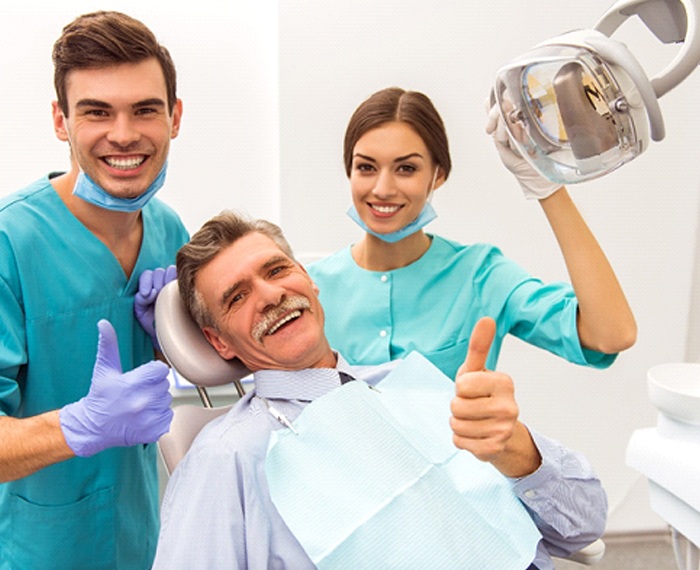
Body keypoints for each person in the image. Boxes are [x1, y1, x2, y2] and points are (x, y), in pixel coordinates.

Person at [152, 210, 606, 570]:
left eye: (276, 270)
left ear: (310, 282)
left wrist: (516, 451)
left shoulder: (413, 386)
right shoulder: (227, 457)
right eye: (237, 297)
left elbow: (583, 527)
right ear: (218, 341)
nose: (270, 295)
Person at [0, 11, 189, 569]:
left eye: (145, 110)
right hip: (36, 550)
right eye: (96, 112)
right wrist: (79, 425)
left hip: (141, 540)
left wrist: (172, 342)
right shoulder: (11, 242)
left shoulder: (170, 230)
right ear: (61, 121)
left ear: (174, 117)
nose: (124, 134)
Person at [307, 87, 637, 379]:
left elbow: (611, 333)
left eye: (406, 168)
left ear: (438, 175)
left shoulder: (481, 274)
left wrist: (547, 187)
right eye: (366, 167)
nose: (382, 188)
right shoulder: (310, 289)